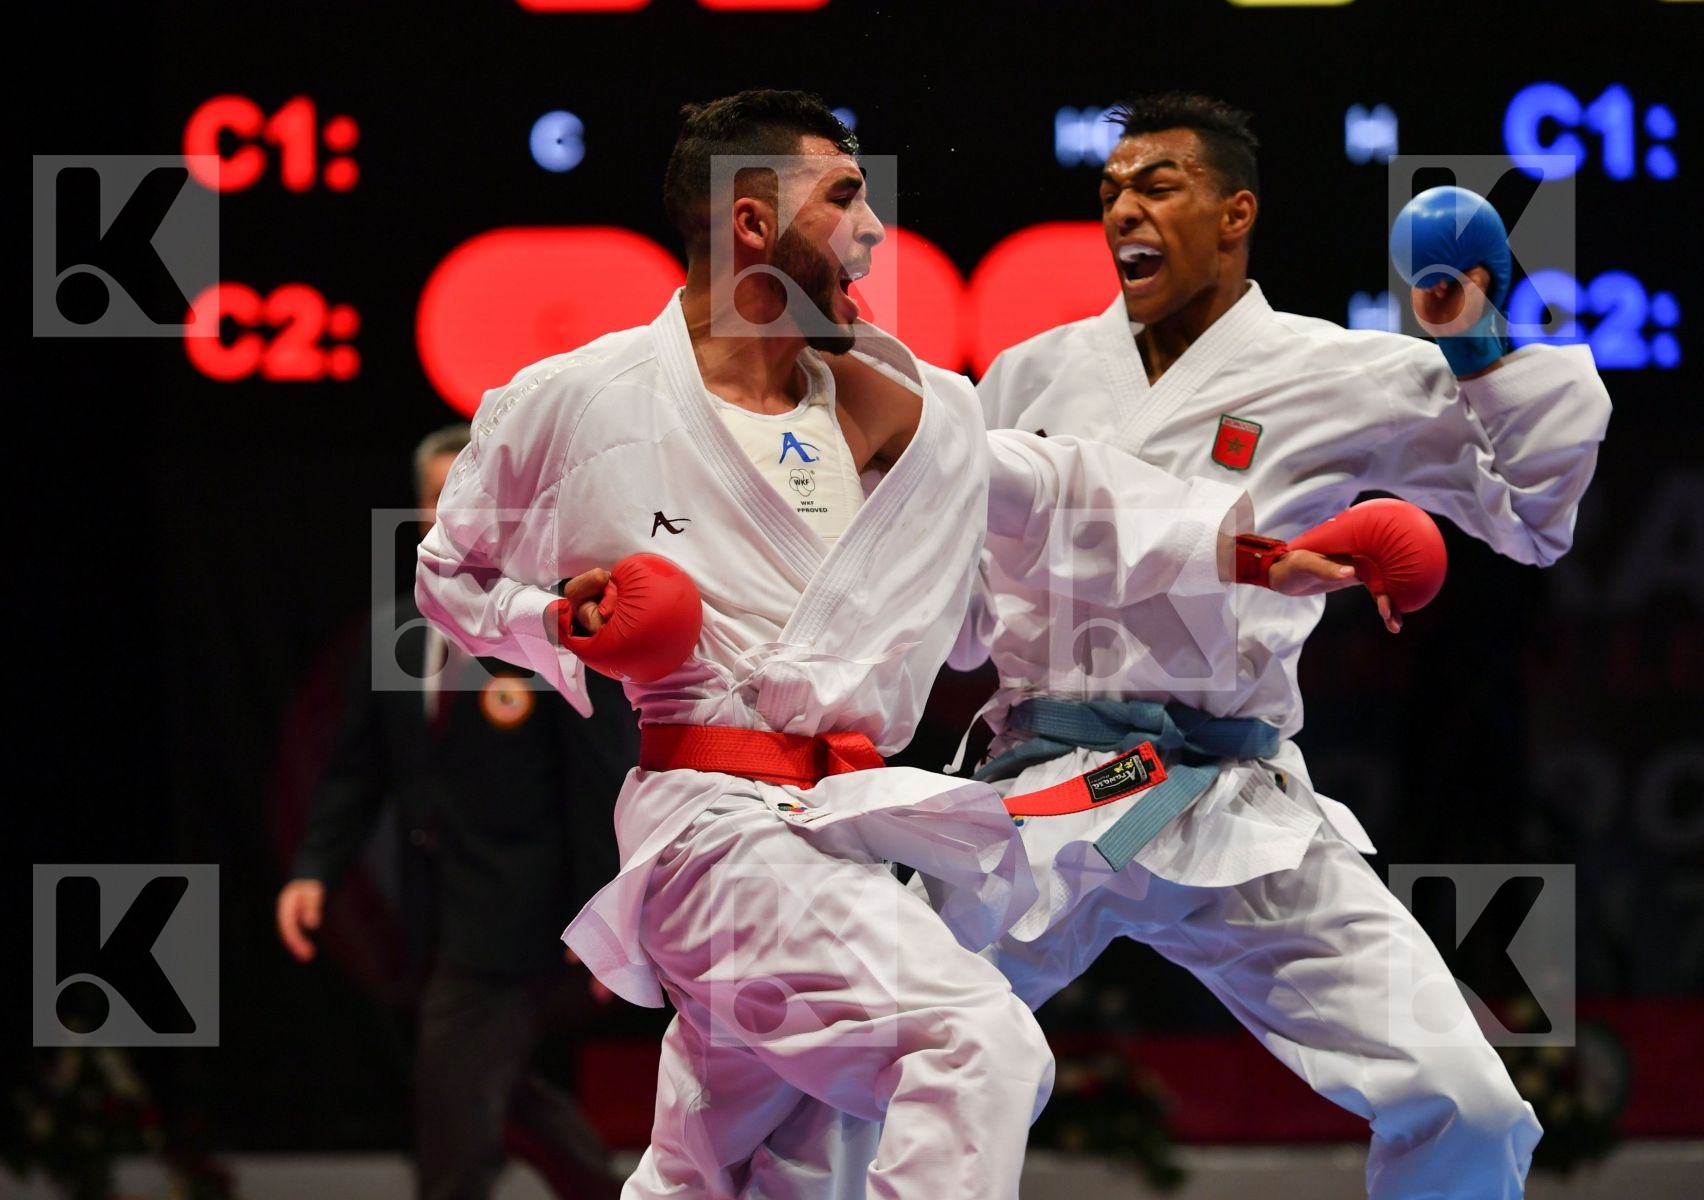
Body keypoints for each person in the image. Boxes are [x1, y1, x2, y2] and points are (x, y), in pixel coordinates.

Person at [414, 89, 1368, 1200]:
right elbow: (447, 573)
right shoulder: (576, 402)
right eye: (846, 196)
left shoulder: (887, 403)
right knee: (979, 1049)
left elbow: (1066, 488)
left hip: (847, 826)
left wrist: (1259, 553)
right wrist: (553, 624)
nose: (873, 231)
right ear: (752, 224)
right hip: (710, 826)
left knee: (735, 1166)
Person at [961, 93, 1612, 1199]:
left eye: (1157, 183)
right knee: (865, 1060)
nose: (1124, 204)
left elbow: (1531, 518)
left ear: (1234, 213)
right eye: (1110, 188)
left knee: (1468, 1099)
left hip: (1228, 797)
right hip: (1044, 794)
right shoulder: (1029, 374)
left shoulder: (1338, 371)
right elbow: (952, 578)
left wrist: (1478, 336)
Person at [277, 424, 636, 1200]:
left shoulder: (549, 632)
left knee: (455, 1106)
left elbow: (598, 780)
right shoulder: (393, 634)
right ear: (416, 513)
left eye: (463, 497)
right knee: (492, 1089)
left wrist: (605, 912)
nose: (449, 514)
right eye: (435, 498)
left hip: (523, 915)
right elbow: (354, 775)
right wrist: (314, 872)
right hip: (430, 915)